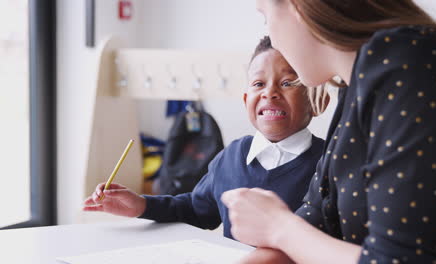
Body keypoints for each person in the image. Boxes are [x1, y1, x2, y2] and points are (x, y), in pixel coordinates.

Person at [221, 0, 436, 263]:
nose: (275, 41)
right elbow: (316, 220)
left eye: (265, 16)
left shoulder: (415, 61)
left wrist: (279, 227)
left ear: (298, 6)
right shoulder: (355, 87)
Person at [83, 36, 329, 239]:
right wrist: (142, 205)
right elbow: (194, 209)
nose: (270, 93)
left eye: (287, 82)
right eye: (258, 84)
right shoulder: (231, 157)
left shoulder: (329, 164)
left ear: (318, 101)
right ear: (246, 101)